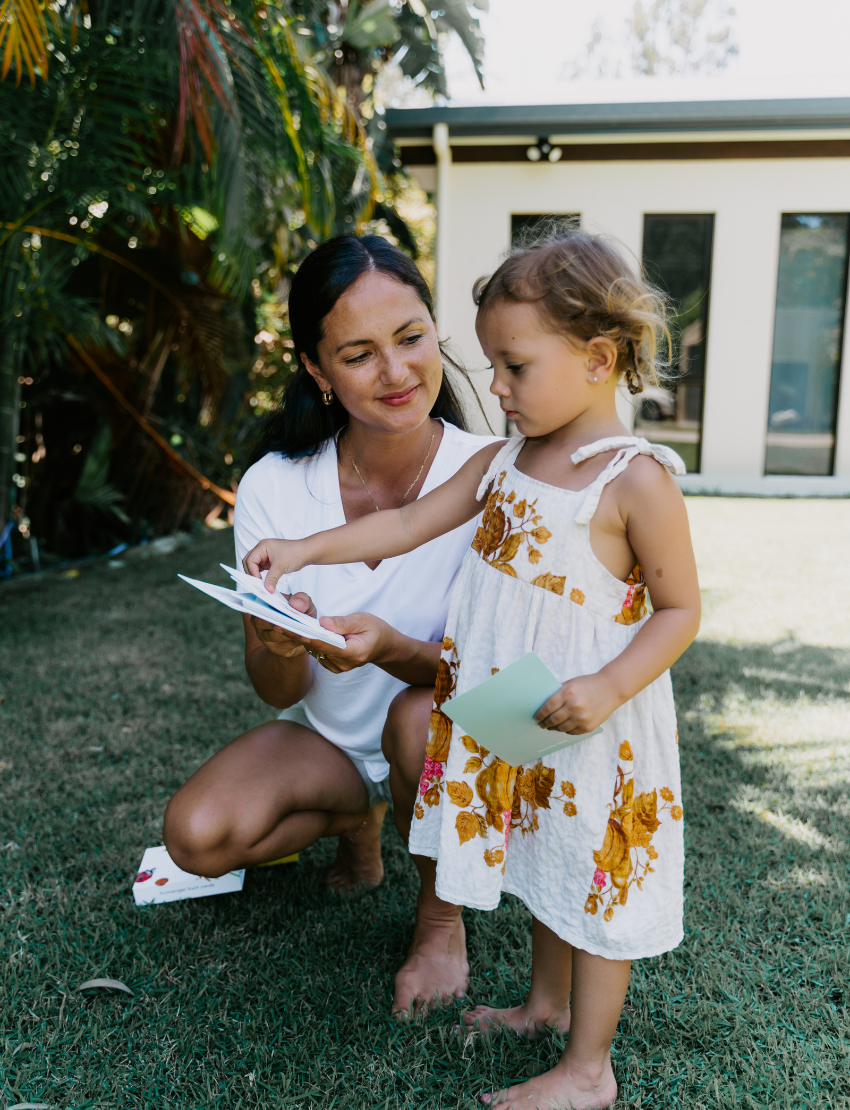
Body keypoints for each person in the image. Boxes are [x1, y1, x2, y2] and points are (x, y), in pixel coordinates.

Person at [243, 228, 701, 1110]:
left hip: (595, 728)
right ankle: (541, 1006)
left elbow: (680, 611)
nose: (490, 387)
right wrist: (304, 548)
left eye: (514, 367)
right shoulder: (504, 462)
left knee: (595, 892)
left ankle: (586, 1071)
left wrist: (607, 687)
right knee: (543, 868)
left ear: (599, 359)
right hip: (520, 713)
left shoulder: (635, 481)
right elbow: (404, 528)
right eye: (490, 364)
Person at [163, 235, 497, 1016]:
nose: (397, 373)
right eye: (359, 354)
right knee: (197, 836)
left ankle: (440, 918)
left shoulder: (492, 473)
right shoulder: (276, 486)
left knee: (416, 721)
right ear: (316, 370)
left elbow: (492, 684)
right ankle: (361, 817)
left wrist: (394, 648)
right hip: (332, 744)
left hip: (452, 733)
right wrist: (279, 641)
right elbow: (274, 687)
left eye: (411, 338)